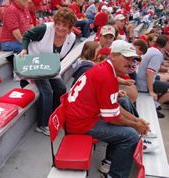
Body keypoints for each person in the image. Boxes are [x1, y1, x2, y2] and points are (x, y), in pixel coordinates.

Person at [60, 40, 150, 178]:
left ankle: (109, 161)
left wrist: (136, 120)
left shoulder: (106, 69)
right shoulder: (106, 75)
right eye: (126, 57)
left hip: (80, 117)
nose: (130, 62)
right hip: (80, 124)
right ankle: (114, 175)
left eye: (133, 59)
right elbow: (112, 118)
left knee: (125, 109)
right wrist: (135, 125)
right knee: (130, 135)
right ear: (113, 55)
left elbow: (115, 108)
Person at [19, 7, 77, 136]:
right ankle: (43, 124)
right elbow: (27, 36)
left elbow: (61, 56)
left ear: (70, 27)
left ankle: (54, 115)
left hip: (49, 64)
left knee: (61, 88)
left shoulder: (72, 38)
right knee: (47, 91)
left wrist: (52, 68)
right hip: (35, 62)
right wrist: (24, 50)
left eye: (65, 25)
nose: (60, 28)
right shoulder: (44, 28)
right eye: (59, 24)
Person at [136, 34, 169, 118]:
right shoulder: (157, 54)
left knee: (164, 78)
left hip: (140, 79)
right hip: (143, 84)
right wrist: (151, 91)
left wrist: (166, 70)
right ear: (166, 44)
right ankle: (155, 106)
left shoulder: (152, 49)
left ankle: (156, 103)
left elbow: (154, 69)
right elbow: (149, 73)